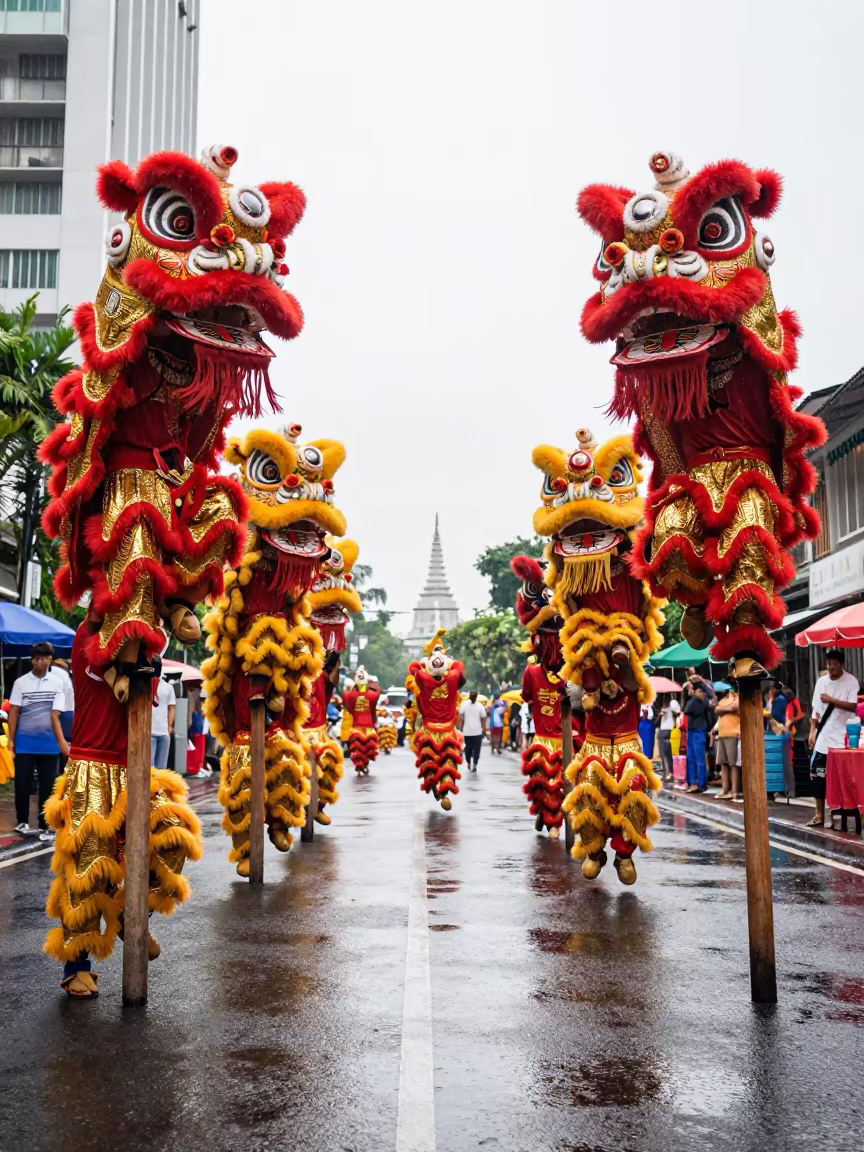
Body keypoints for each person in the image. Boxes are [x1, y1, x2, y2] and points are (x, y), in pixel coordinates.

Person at [8, 642, 69, 840]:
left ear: (51, 659)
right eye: (35, 657)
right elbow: (14, 712)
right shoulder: (21, 683)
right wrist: (11, 740)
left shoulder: (57, 683)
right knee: (22, 785)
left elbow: (56, 714)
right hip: (25, 742)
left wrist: (61, 743)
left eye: (43, 657)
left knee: (47, 787)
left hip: (49, 744)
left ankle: (45, 825)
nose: (39, 661)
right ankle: (22, 821)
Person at [808, 649, 860, 827]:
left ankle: (838, 814)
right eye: (828, 663)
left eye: (834, 664)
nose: (830, 667)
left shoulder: (850, 681)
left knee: (841, 779)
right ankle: (819, 814)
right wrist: (812, 730)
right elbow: (815, 709)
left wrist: (832, 700)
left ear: (841, 664)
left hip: (843, 737)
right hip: (823, 736)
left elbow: (853, 706)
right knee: (818, 775)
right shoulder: (821, 682)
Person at [684, 685, 713, 793]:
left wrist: (696, 696)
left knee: (700, 759)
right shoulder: (693, 701)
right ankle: (692, 783)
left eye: (700, 691)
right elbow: (686, 709)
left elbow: (711, 700)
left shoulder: (704, 702)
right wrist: (692, 697)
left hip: (699, 731)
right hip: (691, 731)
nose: (699, 693)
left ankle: (701, 784)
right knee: (691, 758)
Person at [714, 689, 741, 801]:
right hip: (722, 734)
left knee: (733, 764)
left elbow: (735, 707)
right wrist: (727, 708)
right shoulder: (724, 700)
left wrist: (723, 709)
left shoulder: (738, 697)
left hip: (733, 733)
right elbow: (716, 709)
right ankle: (725, 790)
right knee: (723, 763)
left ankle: (734, 792)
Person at [151, 676, 176, 771]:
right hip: (152, 732)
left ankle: (158, 786)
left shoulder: (168, 687)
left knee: (161, 768)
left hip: (163, 732)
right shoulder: (147, 686)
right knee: (153, 767)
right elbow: (172, 709)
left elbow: (172, 708)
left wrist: (169, 726)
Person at [459, 690, 487, 771]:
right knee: (468, 750)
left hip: (477, 732)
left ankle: (474, 764)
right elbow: (461, 718)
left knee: (477, 750)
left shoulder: (480, 706)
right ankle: (468, 762)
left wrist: (484, 729)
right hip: (467, 732)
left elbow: (483, 718)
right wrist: (461, 728)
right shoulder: (464, 705)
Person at [657, 695, 681, 782]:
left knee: (667, 752)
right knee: (662, 753)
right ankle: (666, 772)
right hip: (662, 728)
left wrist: (671, 712)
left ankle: (669, 773)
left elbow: (678, 713)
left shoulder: (672, 703)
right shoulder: (663, 703)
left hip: (669, 729)